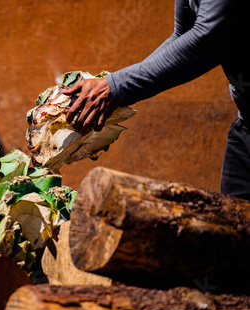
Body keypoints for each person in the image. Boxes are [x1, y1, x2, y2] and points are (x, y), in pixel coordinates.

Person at [63, 0, 249, 200]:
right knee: (235, 224)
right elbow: (183, 33)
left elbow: (209, 38)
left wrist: (114, 88)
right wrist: (110, 87)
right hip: (245, 128)